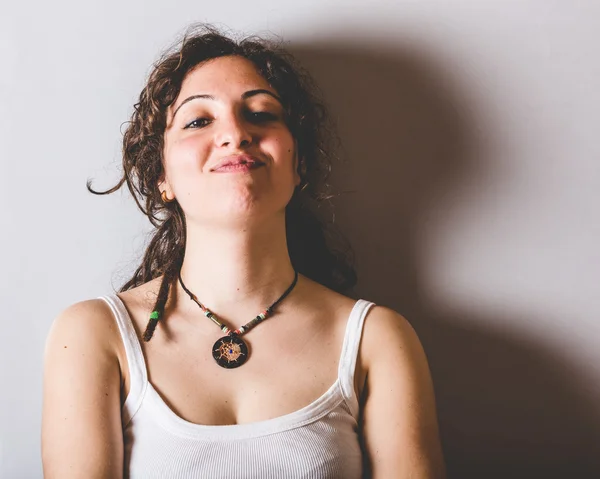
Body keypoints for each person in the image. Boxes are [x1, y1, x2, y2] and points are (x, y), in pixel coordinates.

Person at [41, 24, 446, 478]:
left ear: (299, 164)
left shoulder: (377, 339)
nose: (235, 133)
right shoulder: (96, 335)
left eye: (261, 114)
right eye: (199, 120)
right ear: (162, 177)